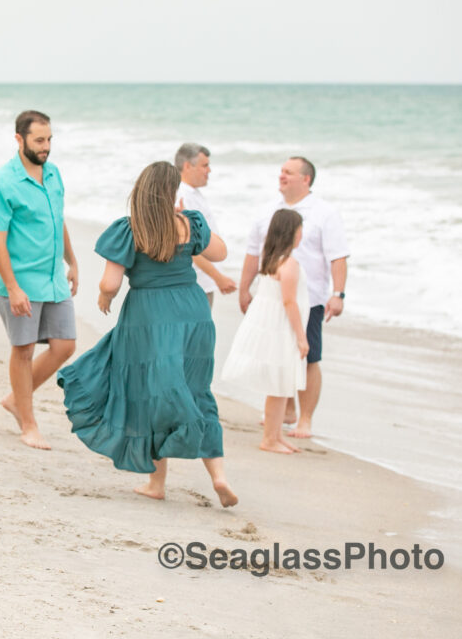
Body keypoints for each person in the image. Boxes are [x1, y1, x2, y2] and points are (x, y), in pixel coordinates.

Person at [57, 161, 238, 507]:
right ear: (173, 193)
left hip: (150, 316)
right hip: (194, 313)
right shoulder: (188, 223)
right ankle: (219, 476)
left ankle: (157, 482)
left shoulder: (130, 229)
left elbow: (110, 281)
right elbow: (221, 252)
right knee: (197, 391)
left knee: (152, 394)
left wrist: (104, 296)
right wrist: (186, 216)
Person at [0, 110, 78, 450]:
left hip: (53, 279)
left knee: (65, 345)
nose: (46, 146)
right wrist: (12, 289)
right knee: (22, 350)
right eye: (39, 140)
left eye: (49, 139)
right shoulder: (1, 183)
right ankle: (28, 423)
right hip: (19, 281)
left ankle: (15, 399)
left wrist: (73, 261)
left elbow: (58, 220)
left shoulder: (53, 175)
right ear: (19, 139)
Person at [239, 157, 349, 438]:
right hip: (272, 297)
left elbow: (337, 256)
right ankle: (283, 411)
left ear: (306, 179)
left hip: (308, 299)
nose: (282, 176)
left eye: (288, 172)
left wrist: (338, 294)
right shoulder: (268, 211)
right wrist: (244, 288)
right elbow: (254, 252)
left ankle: (305, 420)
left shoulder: (324, 213)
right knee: (278, 354)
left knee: (309, 356)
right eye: (281, 171)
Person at [222, 209, 308, 454]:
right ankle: (269, 439)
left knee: (280, 386)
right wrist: (301, 337)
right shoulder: (288, 264)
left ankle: (276, 435)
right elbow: (289, 302)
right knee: (279, 385)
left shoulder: (272, 259)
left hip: (273, 325)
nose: (302, 234)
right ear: (291, 232)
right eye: (300, 229)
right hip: (281, 328)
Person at [174, 143, 236, 306]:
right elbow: (189, 244)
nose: (209, 170)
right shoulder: (182, 196)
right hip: (194, 284)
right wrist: (218, 277)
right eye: (205, 165)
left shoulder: (193, 194)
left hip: (202, 283)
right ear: (187, 166)